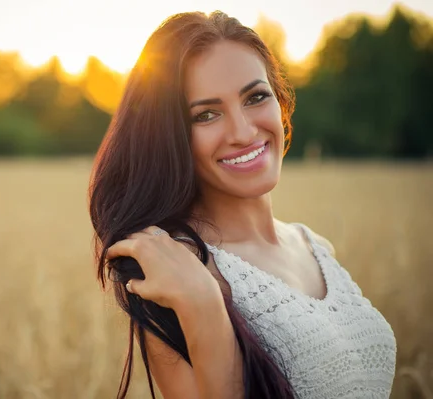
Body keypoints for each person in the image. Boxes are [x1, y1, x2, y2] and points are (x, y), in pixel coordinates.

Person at [88, 10, 397, 399]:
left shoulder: (314, 245)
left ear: (281, 102)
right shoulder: (179, 274)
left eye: (255, 97)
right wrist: (204, 307)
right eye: (206, 114)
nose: (243, 131)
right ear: (171, 138)